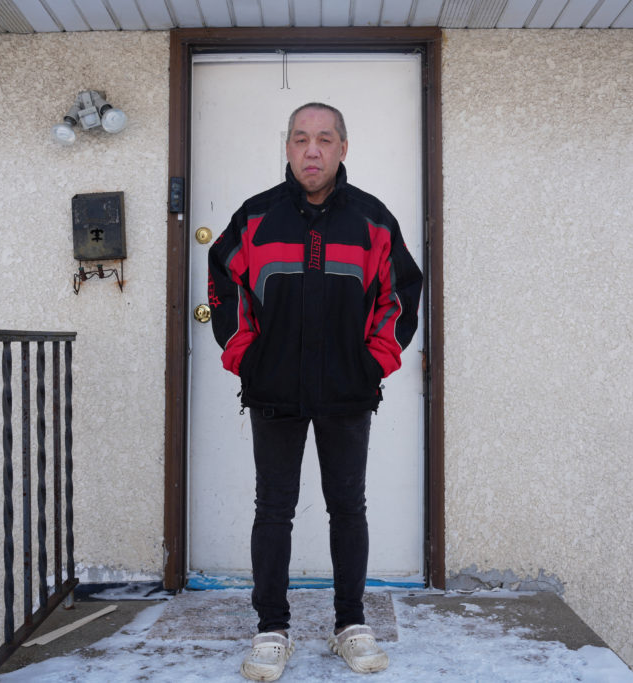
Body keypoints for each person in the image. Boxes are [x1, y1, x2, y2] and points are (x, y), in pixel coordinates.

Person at [207, 102, 422, 681]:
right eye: (301, 139)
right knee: (273, 509)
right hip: (274, 389)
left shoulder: (373, 221)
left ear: (342, 148)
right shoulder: (256, 217)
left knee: (348, 507)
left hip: (347, 392)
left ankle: (350, 624)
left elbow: (401, 294)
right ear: (288, 147)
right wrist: (247, 356)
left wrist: (373, 363)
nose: (312, 150)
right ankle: (271, 630)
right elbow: (223, 281)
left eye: (324, 139)